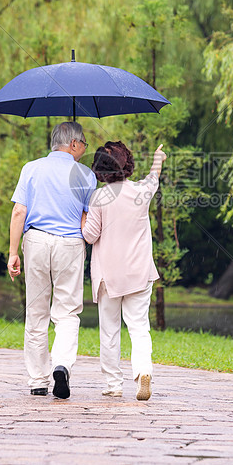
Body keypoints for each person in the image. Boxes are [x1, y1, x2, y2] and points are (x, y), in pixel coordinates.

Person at [7, 121, 96, 399]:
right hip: (70, 244)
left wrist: (13, 252)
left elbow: (19, 212)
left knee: (36, 312)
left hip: (36, 241)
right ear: (72, 144)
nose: (84, 148)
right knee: (67, 312)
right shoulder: (86, 176)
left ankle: (37, 380)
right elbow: (88, 219)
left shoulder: (30, 169)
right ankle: (61, 364)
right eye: (83, 143)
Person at [82, 141, 166, 401]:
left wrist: (83, 218)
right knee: (139, 327)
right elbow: (154, 177)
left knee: (109, 330)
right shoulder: (141, 192)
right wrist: (158, 157)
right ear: (127, 164)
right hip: (139, 273)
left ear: (99, 170)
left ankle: (113, 384)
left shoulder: (99, 197)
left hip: (109, 276)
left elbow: (89, 235)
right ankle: (143, 370)